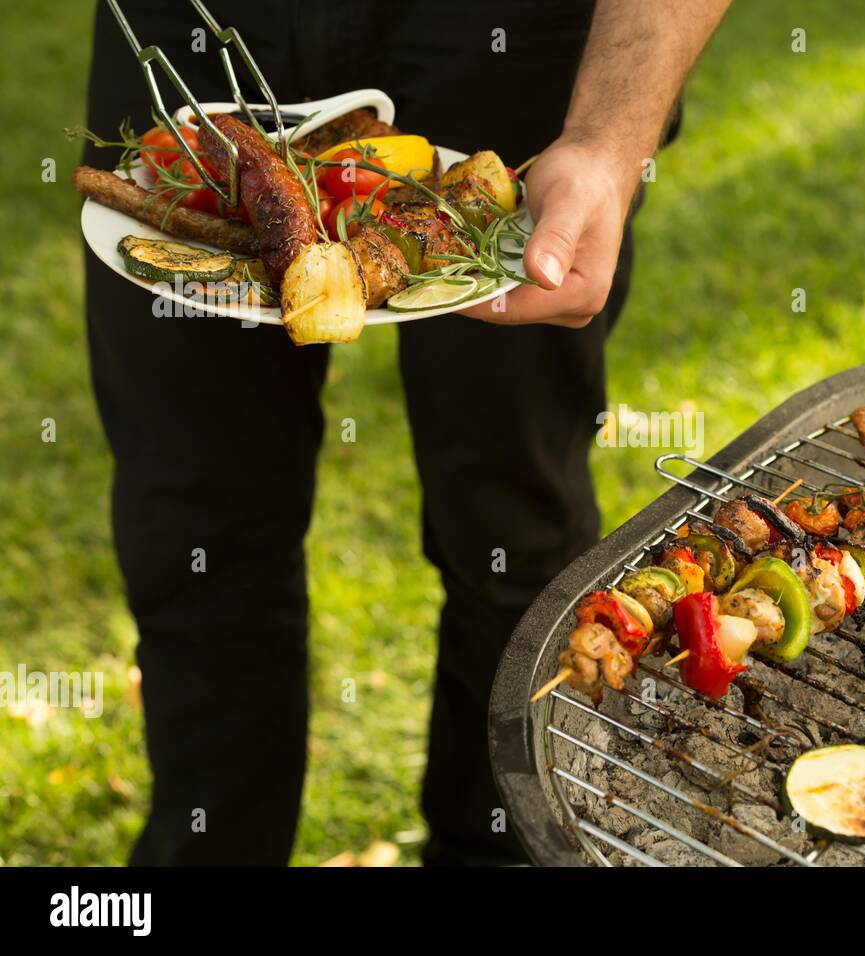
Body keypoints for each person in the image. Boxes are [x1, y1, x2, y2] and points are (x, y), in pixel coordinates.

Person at [81, 0, 730, 865]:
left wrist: (611, 141)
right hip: (190, 21)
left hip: (512, 32)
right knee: (195, 525)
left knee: (509, 522)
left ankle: (497, 851)